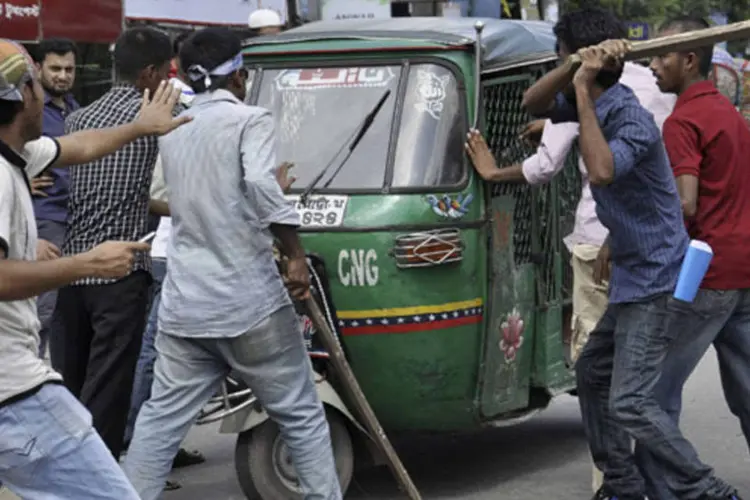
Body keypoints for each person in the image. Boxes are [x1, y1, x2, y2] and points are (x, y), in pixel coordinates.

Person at [522, 19, 742, 500]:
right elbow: (532, 101)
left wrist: (580, 84)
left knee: (631, 402)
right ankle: (622, 481)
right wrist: (574, 71)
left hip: (658, 276)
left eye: (565, 59)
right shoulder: (590, 102)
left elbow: (601, 171)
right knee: (592, 373)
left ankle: (706, 488)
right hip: (631, 271)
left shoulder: (630, 117)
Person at [123, 27, 341, 500]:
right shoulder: (250, 120)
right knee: (301, 414)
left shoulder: (174, 128)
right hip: (247, 303)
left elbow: (170, 198)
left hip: (186, 307)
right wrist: (296, 255)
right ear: (239, 76)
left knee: (158, 423)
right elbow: (263, 189)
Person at [465, 8, 675, 493]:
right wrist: (573, 71)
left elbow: (553, 166)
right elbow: (533, 102)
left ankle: (638, 481)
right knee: (620, 375)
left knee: (614, 385)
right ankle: (637, 479)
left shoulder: (604, 99)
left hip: (612, 249)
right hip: (631, 246)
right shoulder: (638, 86)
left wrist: (496, 173)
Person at [0, 38, 188, 500]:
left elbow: (79, 147)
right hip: (13, 389)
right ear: (25, 94)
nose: (49, 94)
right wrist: (86, 262)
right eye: (40, 85)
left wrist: (139, 127)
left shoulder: (23, 154)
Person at [633, 16, 750, 500]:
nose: (653, 65)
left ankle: (671, 489)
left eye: (662, 56)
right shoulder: (730, 114)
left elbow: (683, 203)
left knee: (649, 395)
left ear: (690, 59)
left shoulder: (684, 120)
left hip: (706, 274)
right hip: (743, 268)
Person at [50, 26, 178, 459]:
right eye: (165, 70)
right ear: (149, 73)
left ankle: (67, 471)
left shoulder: (79, 119)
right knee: (108, 391)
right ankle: (97, 476)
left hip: (73, 270)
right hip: (120, 273)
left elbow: (120, 191)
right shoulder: (161, 118)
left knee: (71, 384)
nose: (168, 78)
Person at [122, 33, 202, 489]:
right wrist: (206, 204)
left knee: (176, 357)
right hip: (173, 252)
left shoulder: (228, 114)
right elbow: (155, 197)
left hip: (198, 252)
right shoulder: (177, 107)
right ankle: (139, 449)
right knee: (157, 354)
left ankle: (156, 448)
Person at [30, 38, 80, 358]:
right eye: (55, 69)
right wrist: (21, 179)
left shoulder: (75, 110)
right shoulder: (27, 109)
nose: (62, 76)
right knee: (41, 314)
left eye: (69, 69)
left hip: (74, 220)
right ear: (38, 69)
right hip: (44, 219)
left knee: (63, 314)